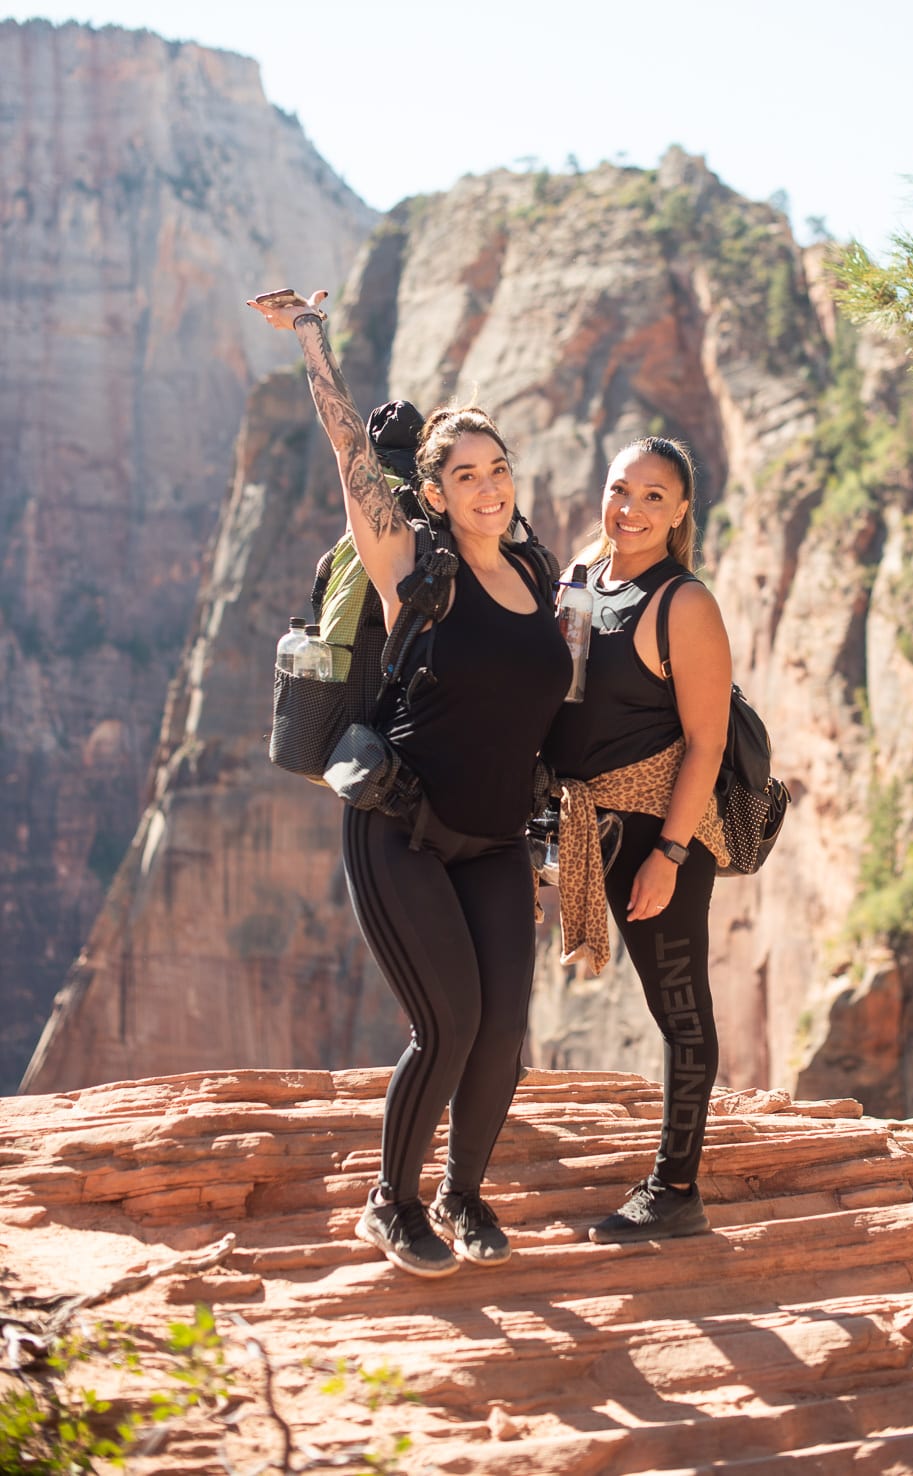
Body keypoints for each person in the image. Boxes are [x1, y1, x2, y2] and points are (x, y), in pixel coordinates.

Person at [248, 289, 571, 1278]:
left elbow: (542, 721)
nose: (486, 488)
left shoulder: (537, 575)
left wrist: (554, 838)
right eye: (464, 475)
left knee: (505, 1031)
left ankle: (461, 1193)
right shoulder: (414, 571)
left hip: (496, 841)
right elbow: (354, 461)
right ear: (433, 493)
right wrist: (315, 342)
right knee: (452, 1022)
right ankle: (391, 1203)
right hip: (399, 828)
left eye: (498, 469)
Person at [543, 436, 733, 1244]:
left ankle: (675, 1187)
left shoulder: (683, 603)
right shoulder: (579, 585)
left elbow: (708, 743)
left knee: (678, 1008)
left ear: (682, 512)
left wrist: (670, 853)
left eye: (656, 496)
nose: (633, 509)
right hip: (582, 821)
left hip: (658, 830)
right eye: (622, 489)